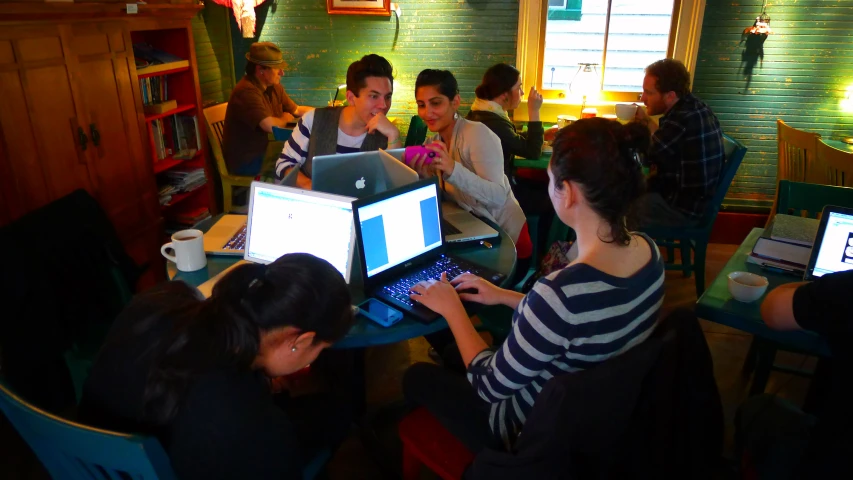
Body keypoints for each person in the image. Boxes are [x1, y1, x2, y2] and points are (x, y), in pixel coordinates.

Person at [403, 117, 666, 453]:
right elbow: (578, 321)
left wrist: (454, 310)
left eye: (551, 180)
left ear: (568, 192)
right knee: (455, 355)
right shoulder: (649, 253)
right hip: (599, 416)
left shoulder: (559, 294)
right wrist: (503, 295)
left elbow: (489, 385)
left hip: (530, 430)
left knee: (417, 376)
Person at [78, 254, 354, 480]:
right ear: (301, 339)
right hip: (176, 462)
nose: (312, 360)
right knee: (334, 415)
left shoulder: (160, 299)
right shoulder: (248, 425)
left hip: (89, 461)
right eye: (320, 350)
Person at [736, 270, 853, 478]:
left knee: (756, 408)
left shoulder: (843, 287)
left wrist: (817, 285)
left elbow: (773, 311)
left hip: (830, 461)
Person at [409, 68, 531, 263]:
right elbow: (449, 199)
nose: (427, 112)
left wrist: (452, 169)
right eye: (421, 105)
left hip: (508, 242)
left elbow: (498, 197)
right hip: (474, 233)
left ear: (455, 102)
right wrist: (425, 177)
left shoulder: (477, 133)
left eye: (436, 103)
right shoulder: (433, 141)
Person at [275, 54, 402, 189]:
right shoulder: (313, 120)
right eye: (374, 96)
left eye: (388, 97)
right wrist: (311, 187)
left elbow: (395, 187)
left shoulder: (387, 136)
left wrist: (394, 135)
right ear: (351, 97)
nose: (383, 105)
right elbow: (283, 164)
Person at [631, 58, 724, 228]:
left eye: (649, 93)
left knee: (613, 208)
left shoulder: (683, 117)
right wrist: (646, 122)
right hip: (690, 201)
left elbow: (649, 154)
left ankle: (629, 253)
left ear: (670, 95)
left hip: (682, 209)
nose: (643, 98)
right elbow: (665, 142)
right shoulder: (693, 107)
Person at [466, 63, 554, 242]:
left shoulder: (483, 112)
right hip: (499, 195)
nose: (522, 93)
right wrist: (534, 111)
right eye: (519, 88)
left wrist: (539, 133)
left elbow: (510, 138)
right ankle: (540, 257)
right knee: (553, 198)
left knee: (545, 188)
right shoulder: (492, 121)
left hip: (496, 185)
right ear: (505, 94)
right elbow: (532, 152)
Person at [223, 42, 312, 176]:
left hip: (269, 151)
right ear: (261, 70)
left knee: (307, 156)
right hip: (248, 161)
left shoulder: (274, 87)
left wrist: (324, 113)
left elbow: (296, 110)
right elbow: (269, 126)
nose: (282, 72)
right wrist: (285, 118)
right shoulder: (246, 91)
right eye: (277, 69)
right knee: (304, 162)